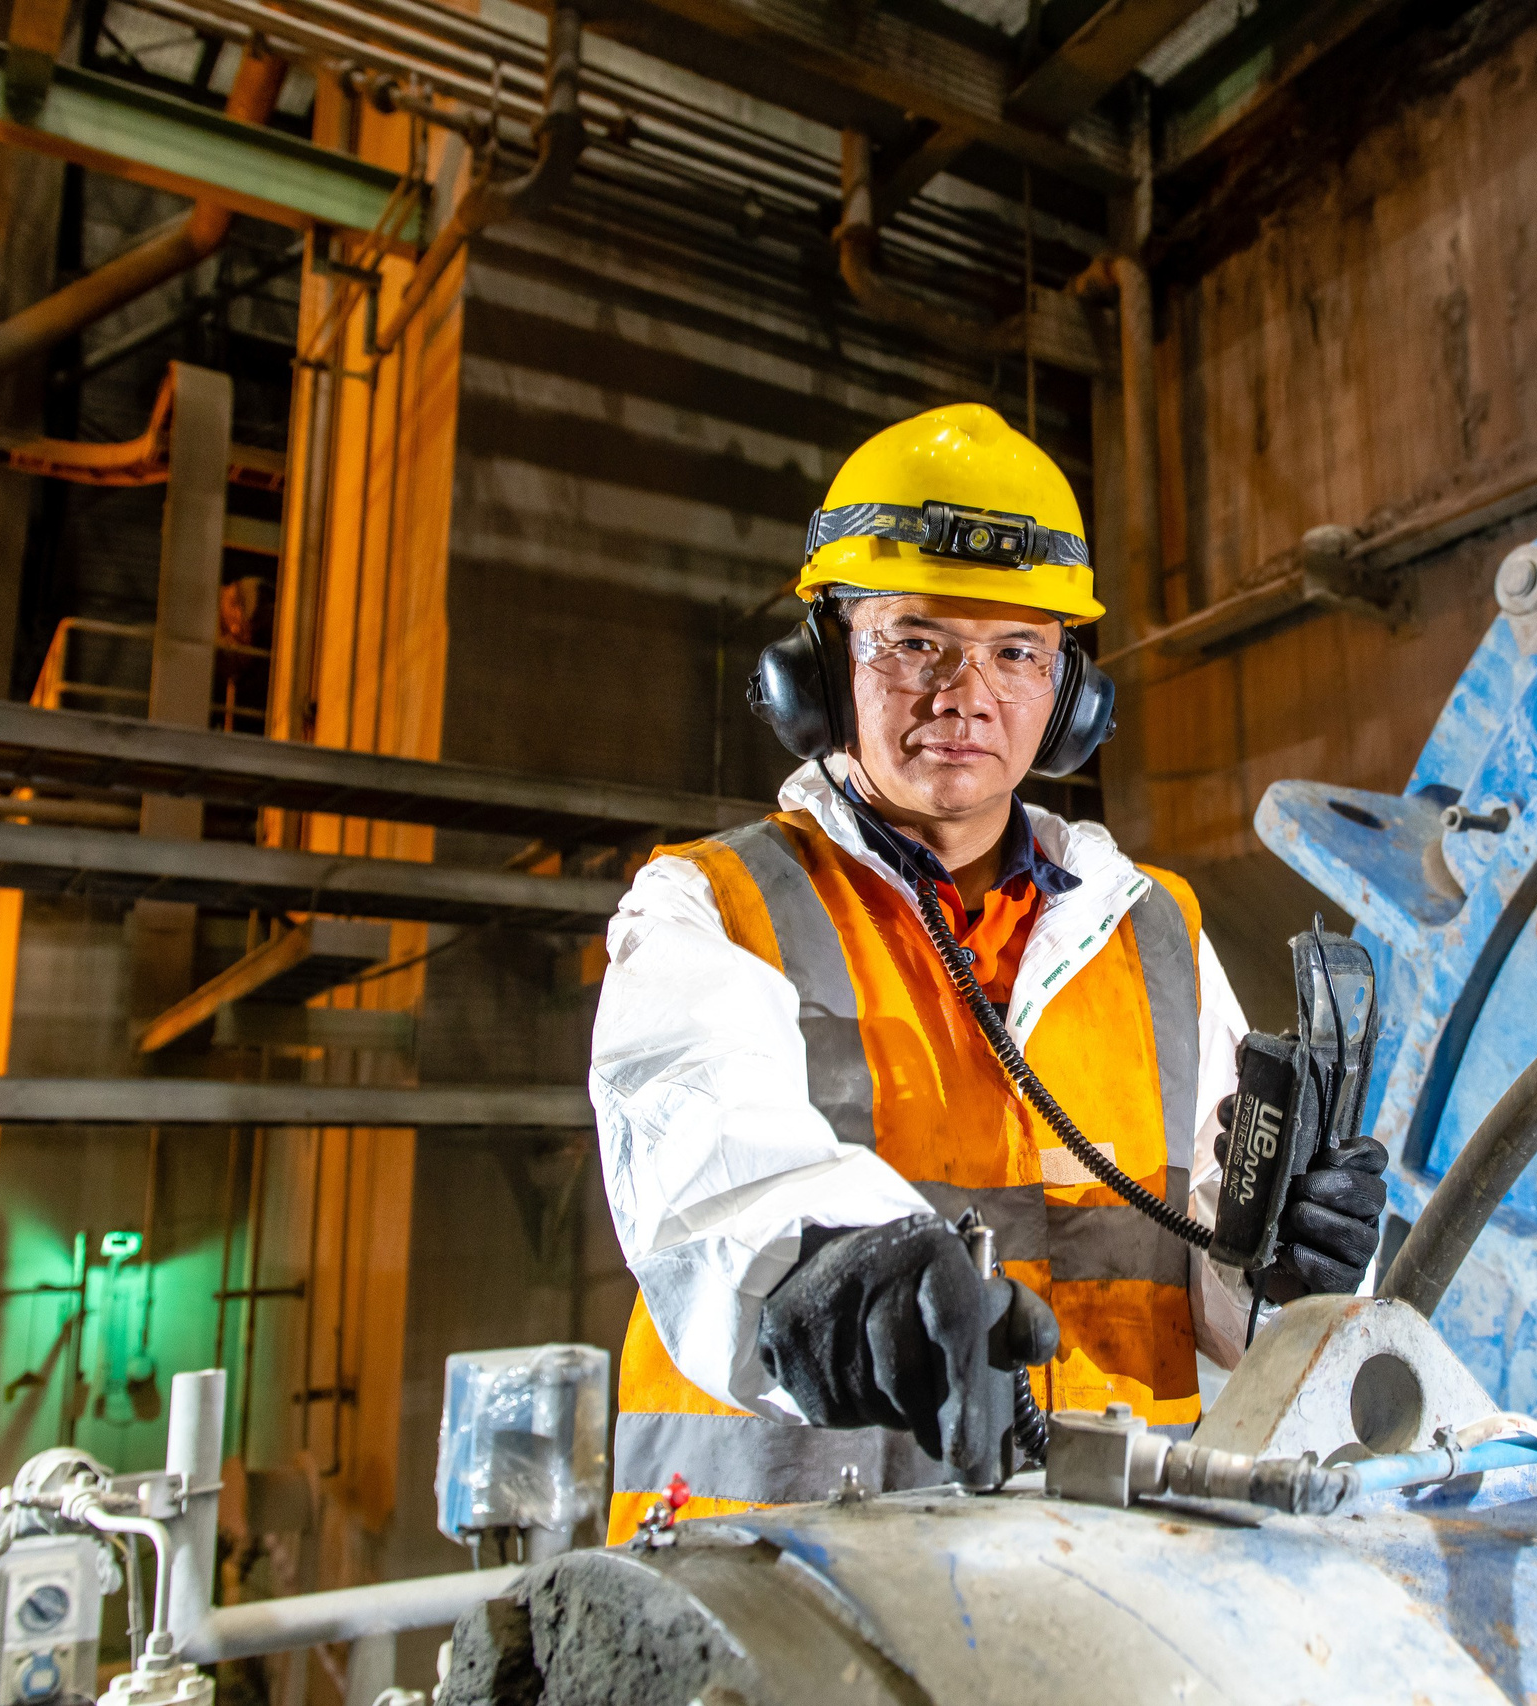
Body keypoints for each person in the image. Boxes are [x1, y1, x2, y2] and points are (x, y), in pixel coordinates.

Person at [590, 403, 1390, 1535]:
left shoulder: (1156, 929)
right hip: (792, 1589)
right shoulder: (710, 908)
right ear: (820, 664)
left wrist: (1290, 1267)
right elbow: (711, 1180)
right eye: (916, 642)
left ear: (1068, 697)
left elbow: (1210, 1291)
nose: (965, 694)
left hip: (1112, 1573)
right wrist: (843, 1277)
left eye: (1017, 652)